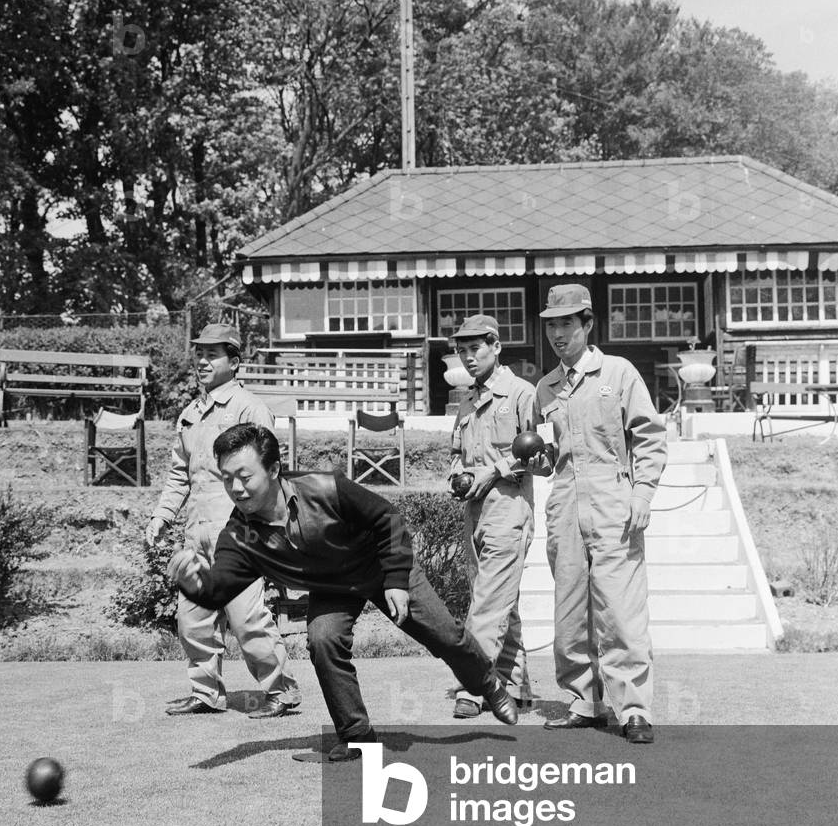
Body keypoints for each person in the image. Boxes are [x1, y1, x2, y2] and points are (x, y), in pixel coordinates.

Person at [168, 423, 520, 764]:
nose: (236, 488)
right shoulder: (239, 536)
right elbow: (218, 591)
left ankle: (488, 684)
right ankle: (357, 738)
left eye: (244, 477)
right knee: (323, 640)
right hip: (332, 586)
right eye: (226, 478)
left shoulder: (323, 487)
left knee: (445, 635)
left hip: (381, 566)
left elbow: (388, 519)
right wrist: (191, 581)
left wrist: (397, 579)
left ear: (274, 469)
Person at [145, 323, 300, 718]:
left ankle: (280, 691)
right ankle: (205, 692)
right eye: (199, 352)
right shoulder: (191, 414)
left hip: (239, 529)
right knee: (192, 618)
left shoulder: (249, 408)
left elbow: (267, 472)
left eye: (212, 354)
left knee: (247, 617)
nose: (201, 360)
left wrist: (269, 528)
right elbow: (180, 474)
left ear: (234, 362)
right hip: (196, 530)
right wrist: (163, 515)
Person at [536, 284, 667, 744]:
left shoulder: (618, 373)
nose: (557, 333)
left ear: (588, 324)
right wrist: (539, 462)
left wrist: (643, 496)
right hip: (565, 506)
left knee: (620, 610)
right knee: (570, 609)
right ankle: (583, 701)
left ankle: (633, 708)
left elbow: (649, 437)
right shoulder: (545, 388)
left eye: (566, 323)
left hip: (614, 503)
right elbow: (549, 456)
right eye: (551, 324)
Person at [448, 314, 550, 719]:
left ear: (496, 346)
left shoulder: (522, 393)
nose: (468, 357)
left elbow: (543, 458)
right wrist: (457, 475)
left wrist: (495, 470)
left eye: (475, 348)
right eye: (462, 350)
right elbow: (457, 452)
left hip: (509, 508)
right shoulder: (468, 399)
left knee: (489, 600)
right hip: (475, 509)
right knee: (498, 599)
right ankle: (516, 683)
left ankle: (472, 688)